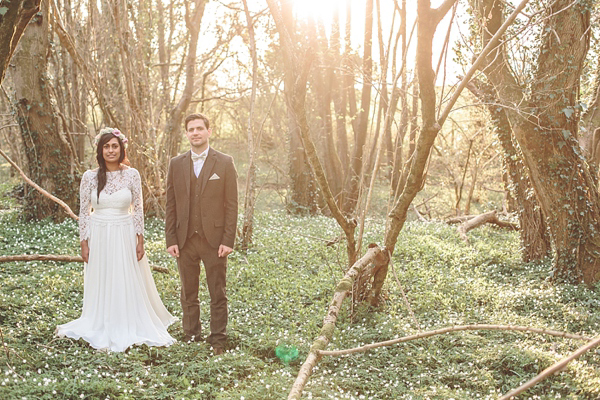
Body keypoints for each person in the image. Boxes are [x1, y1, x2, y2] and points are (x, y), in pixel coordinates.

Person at [56, 127, 177, 352]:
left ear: (121, 149)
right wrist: (84, 242)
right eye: (106, 146)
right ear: (100, 150)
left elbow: (139, 209)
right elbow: (84, 211)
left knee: (124, 275)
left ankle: (127, 318)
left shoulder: (132, 174)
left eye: (114, 146)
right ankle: (101, 319)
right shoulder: (89, 177)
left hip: (124, 231)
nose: (110, 150)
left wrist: (140, 240)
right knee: (103, 275)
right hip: (99, 232)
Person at [165, 113, 238, 355]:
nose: (195, 132)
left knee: (217, 292)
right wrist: (171, 239)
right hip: (185, 238)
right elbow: (171, 204)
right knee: (189, 291)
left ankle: (218, 339)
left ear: (208, 131)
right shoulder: (176, 164)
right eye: (191, 129)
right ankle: (191, 334)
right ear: (186, 134)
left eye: (199, 128)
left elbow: (231, 204)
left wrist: (228, 240)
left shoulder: (225, 162)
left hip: (214, 240)